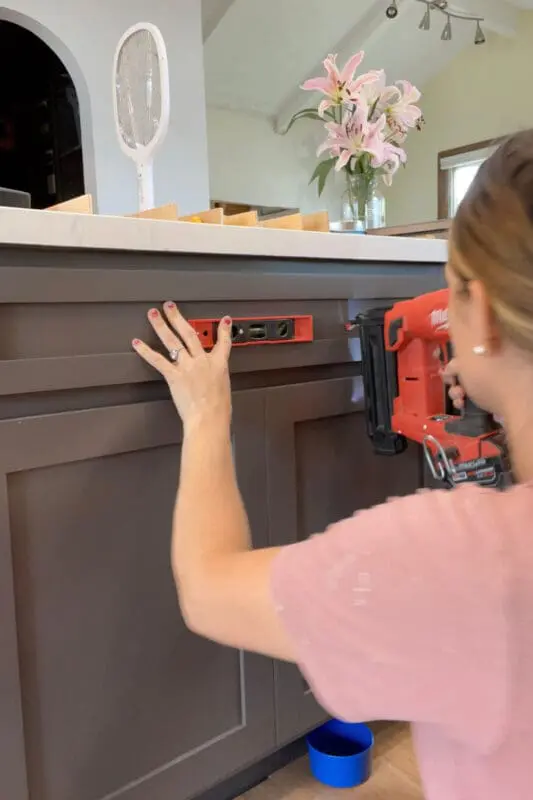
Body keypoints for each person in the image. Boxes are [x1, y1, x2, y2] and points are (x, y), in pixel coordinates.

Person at [132, 130, 533, 800]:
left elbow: (207, 590)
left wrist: (205, 415)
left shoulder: (466, 561)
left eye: (452, 290)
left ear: (483, 316)